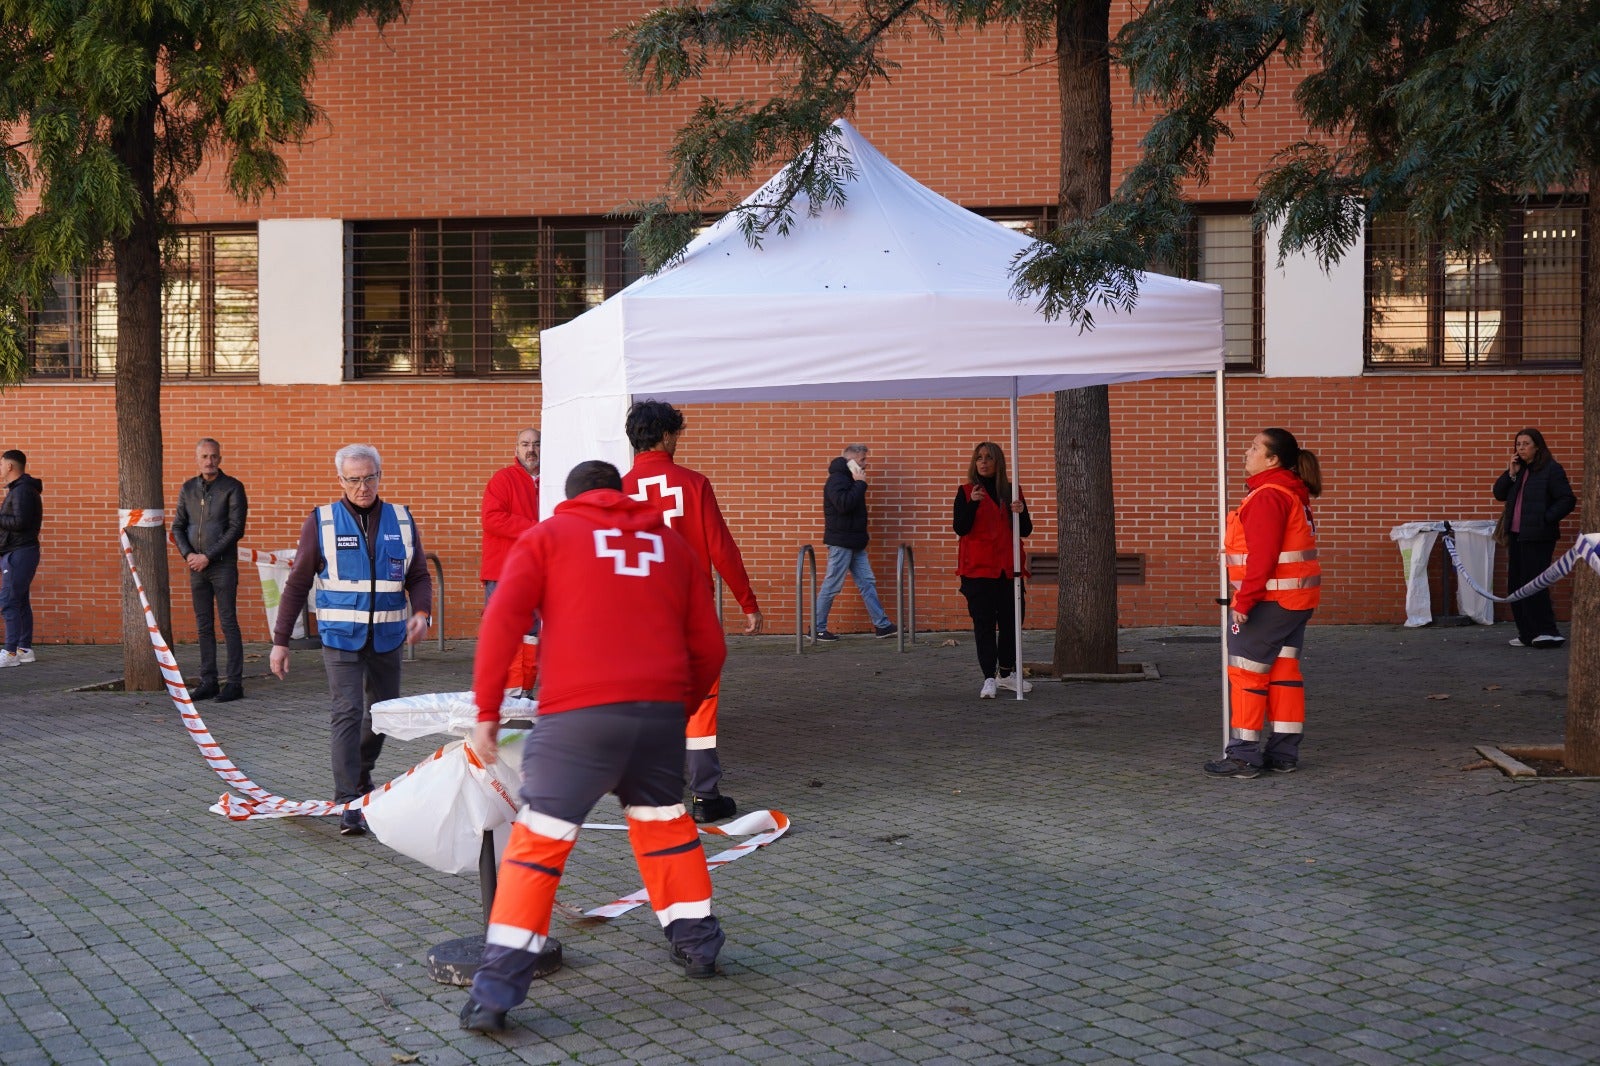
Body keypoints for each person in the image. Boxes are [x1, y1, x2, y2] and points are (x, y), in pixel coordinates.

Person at [459, 460, 728, 1034]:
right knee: (666, 827)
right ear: (621, 493)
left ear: (570, 496)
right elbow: (709, 645)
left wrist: (487, 711)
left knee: (538, 848)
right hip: (656, 717)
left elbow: (502, 620)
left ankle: (495, 995)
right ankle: (699, 945)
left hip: (576, 719)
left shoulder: (548, 537)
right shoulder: (671, 547)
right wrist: (675, 708)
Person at [268, 445, 433, 836]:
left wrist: (422, 613)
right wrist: (281, 641)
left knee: (384, 714)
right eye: (354, 479)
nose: (363, 486)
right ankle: (348, 803)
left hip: (388, 635)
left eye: (370, 477)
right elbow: (297, 584)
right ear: (340, 480)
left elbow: (420, 575)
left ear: (380, 475)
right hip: (341, 637)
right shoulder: (322, 521)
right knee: (347, 712)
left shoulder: (401, 520)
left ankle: (361, 778)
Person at [622, 400, 763, 824]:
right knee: (700, 702)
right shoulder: (694, 484)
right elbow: (721, 547)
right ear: (666, 436)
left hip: (639, 617)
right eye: (677, 434)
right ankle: (704, 795)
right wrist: (748, 603)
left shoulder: (619, 490)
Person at [1205, 427, 1322, 779]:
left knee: (1246, 673)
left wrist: (1245, 600)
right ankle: (1283, 753)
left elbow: (1263, 556)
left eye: (1255, 448)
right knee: (1284, 674)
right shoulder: (1289, 493)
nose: (1247, 452)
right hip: (1295, 599)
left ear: (1272, 459)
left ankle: (1243, 756)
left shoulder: (1268, 496)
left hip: (1269, 601)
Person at [952, 442, 1033, 699]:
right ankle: (989, 676)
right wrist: (973, 504)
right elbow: (960, 528)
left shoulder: (1011, 491)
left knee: (1011, 623)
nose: (983, 462)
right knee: (984, 625)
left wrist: (1019, 513)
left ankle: (1006, 673)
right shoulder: (966, 492)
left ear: (998, 462)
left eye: (988, 458)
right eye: (979, 458)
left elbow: (1026, 529)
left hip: (1008, 571)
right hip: (977, 572)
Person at [171, 438, 250, 701]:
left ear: (220, 458)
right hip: (196, 566)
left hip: (222, 565)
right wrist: (189, 555)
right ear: (197, 459)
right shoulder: (188, 489)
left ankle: (234, 683)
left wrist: (208, 556)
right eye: (204, 456)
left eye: (214, 456)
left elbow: (236, 528)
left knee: (228, 622)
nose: (209, 461)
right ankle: (208, 680)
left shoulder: (232, 487)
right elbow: (177, 526)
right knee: (203, 625)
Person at [1493, 427, 1576, 649]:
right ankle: (1527, 633)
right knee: (1516, 586)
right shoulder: (1518, 471)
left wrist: (1545, 518)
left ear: (1537, 446)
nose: (1521, 448)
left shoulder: (1551, 469)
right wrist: (1510, 472)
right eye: (1518, 444)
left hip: (1539, 537)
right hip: (1517, 536)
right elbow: (1499, 493)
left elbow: (1567, 499)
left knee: (1534, 584)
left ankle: (1548, 631)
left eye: (1526, 443)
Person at [813, 444, 897, 642]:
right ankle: (817, 628)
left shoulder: (849, 478)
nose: (866, 464)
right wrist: (860, 484)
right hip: (842, 542)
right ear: (850, 461)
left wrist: (858, 483)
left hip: (855, 541)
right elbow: (843, 504)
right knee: (832, 584)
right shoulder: (837, 479)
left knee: (867, 582)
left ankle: (882, 625)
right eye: (862, 460)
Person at [481, 426, 541, 694]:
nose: (531, 449)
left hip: (538, 572)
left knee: (532, 634)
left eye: (536, 444)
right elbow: (492, 518)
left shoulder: (551, 482)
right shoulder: (503, 479)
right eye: (525, 444)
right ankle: (505, 694)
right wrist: (535, 527)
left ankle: (523, 690)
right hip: (504, 572)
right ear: (516, 449)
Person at [0, 450, 43, 668]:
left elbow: (20, 522)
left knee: (8, 601)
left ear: (9, 466)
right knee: (20, 601)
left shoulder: (23, 491)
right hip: (18, 551)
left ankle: (10, 652)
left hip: (20, 552)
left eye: (1, 465)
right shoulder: (20, 490)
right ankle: (24, 649)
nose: (0, 469)